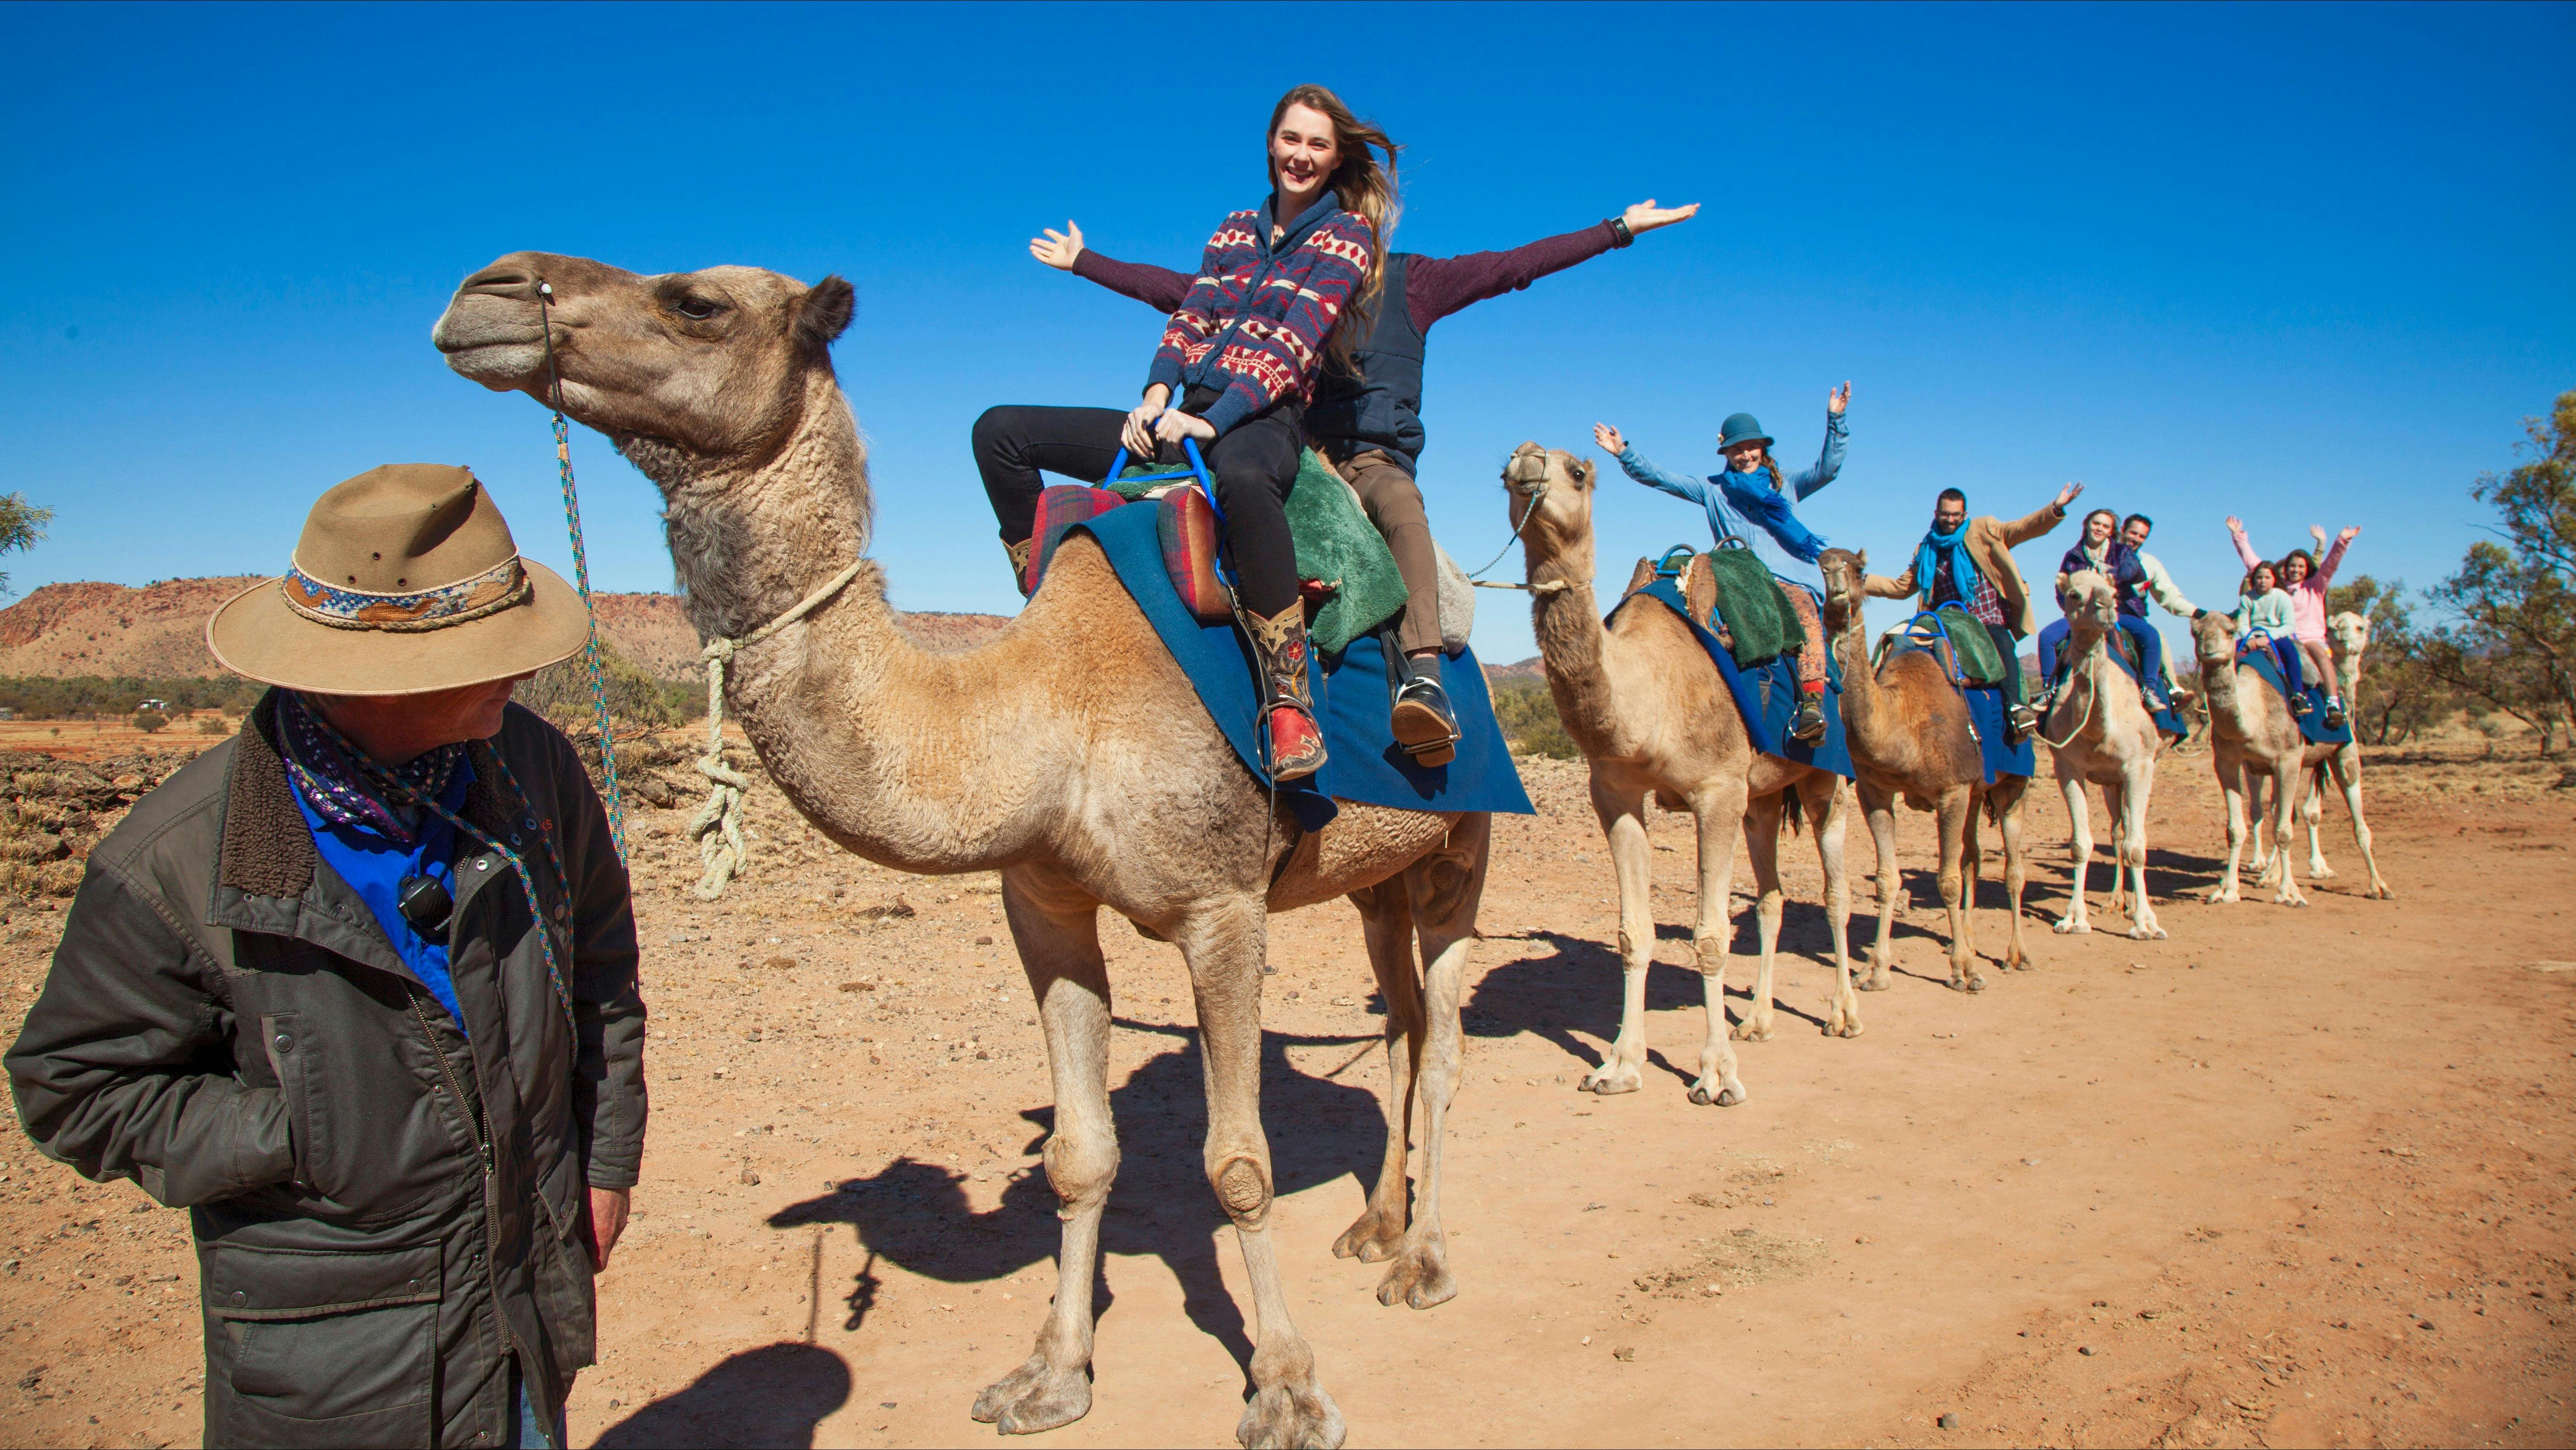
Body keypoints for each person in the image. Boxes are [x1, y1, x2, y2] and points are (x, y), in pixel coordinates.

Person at [7, 465, 647, 1449]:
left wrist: (603, 1160)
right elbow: (75, 1082)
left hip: (522, 1299)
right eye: (491, 652)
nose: (522, 671)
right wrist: (298, 1129)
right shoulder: (177, 858)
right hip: (335, 1356)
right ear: (371, 680)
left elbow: (599, 970)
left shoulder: (533, 771)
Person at [1038, 199, 1698, 756]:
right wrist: (1086, 264)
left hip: (1373, 460)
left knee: (1401, 506)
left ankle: (1424, 679)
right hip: (1297, 446)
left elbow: (1512, 268)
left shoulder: (1415, 283)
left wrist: (1618, 229)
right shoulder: (1284, 282)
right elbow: (1186, 293)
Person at [974, 84, 1393, 781]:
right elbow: (1189, 318)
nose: (1302, 154)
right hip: (1176, 409)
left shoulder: (1347, 235)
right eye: (1292, 139)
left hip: (1263, 413)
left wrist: (1212, 416)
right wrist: (1155, 396)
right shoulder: (1233, 229)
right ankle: (1045, 589)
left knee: (1245, 480)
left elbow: (1293, 343)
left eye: (1318, 144)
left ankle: (1289, 701)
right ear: (1271, 142)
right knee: (1000, 434)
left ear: (1336, 156)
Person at [1593, 386, 1851, 741]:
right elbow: (1663, 479)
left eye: (1750, 446)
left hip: (1788, 577)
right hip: (1739, 576)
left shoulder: (1787, 483)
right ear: (1726, 452)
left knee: (1805, 619)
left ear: (1763, 448)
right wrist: (1624, 452)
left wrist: (1836, 419)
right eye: (1736, 448)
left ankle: (1812, 704)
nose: (1745, 454)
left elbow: (1829, 468)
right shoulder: (1713, 489)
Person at [1864, 481, 2086, 740]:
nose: (1950, 520)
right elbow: (1902, 587)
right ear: (1936, 514)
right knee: (1899, 643)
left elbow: (2022, 529)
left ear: (1965, 515)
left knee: (2001, 643)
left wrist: (2055, 509)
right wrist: (1858, 579)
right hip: (1945, 623)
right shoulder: (1927, 549)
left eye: (1956, 515)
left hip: (1985, 619)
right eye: (1945, 515)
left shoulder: (1983, 530)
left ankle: (2016, 708)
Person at [2033, 507, 2176, 713]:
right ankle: (2049, 689)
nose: (2099, 529)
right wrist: (2073, 610)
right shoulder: (2073, 556)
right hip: (2082, 616)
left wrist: (2111, 578)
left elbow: (2133, 570)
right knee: (2047, 637)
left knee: (2151, 636)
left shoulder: (2122, 552)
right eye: (2096, 524)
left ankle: (2149, 690)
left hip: (2120, 612)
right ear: (2087, 525)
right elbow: (2062, 588)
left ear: (2112, 531)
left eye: (2105, 526)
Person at [2229, 516, 2358, 729]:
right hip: (2276, 637)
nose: (2296, 570)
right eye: (2292, 566)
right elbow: (2254, 564)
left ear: (2307, 568)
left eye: (2300, 566)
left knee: (2321, 657)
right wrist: (2238, 536)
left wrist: (2342, 541)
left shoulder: (2315, 586)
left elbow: (2331, 565)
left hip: (2310, 638)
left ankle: (2332, 704)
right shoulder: (2277, 590)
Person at [2232, 557, 2310, 714]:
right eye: (2259, 577)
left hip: (2276, 635)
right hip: (2252, 636)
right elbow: (2243, 623)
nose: (2263, 581)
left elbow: (2289, 626)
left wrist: (2267, 639)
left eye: (2267, 578)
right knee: (2230, 652)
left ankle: (2298, 695)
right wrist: (2250, 638)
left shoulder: (2282, 597)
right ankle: (2228, 694)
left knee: (2290, 651)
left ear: (2274, 579)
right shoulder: (2247, 598)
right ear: (2254, 580)